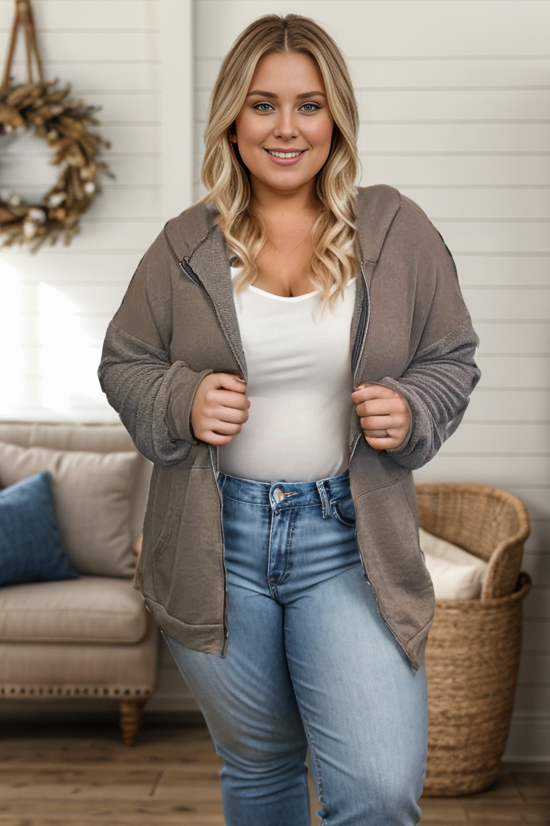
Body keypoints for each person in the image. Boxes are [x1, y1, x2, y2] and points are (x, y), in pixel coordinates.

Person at [97, 13, 481, 826]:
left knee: (377, 792)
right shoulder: (183, 246)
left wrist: (412, 406)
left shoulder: (395, 229)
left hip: (348, 541)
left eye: (309, 105)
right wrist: (182, 399)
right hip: (213, 545)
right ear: (232, 120)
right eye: (263, 104)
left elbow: (451, 356)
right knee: (262, 763)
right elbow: (124, 363)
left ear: (335, 118)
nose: (286, 127)